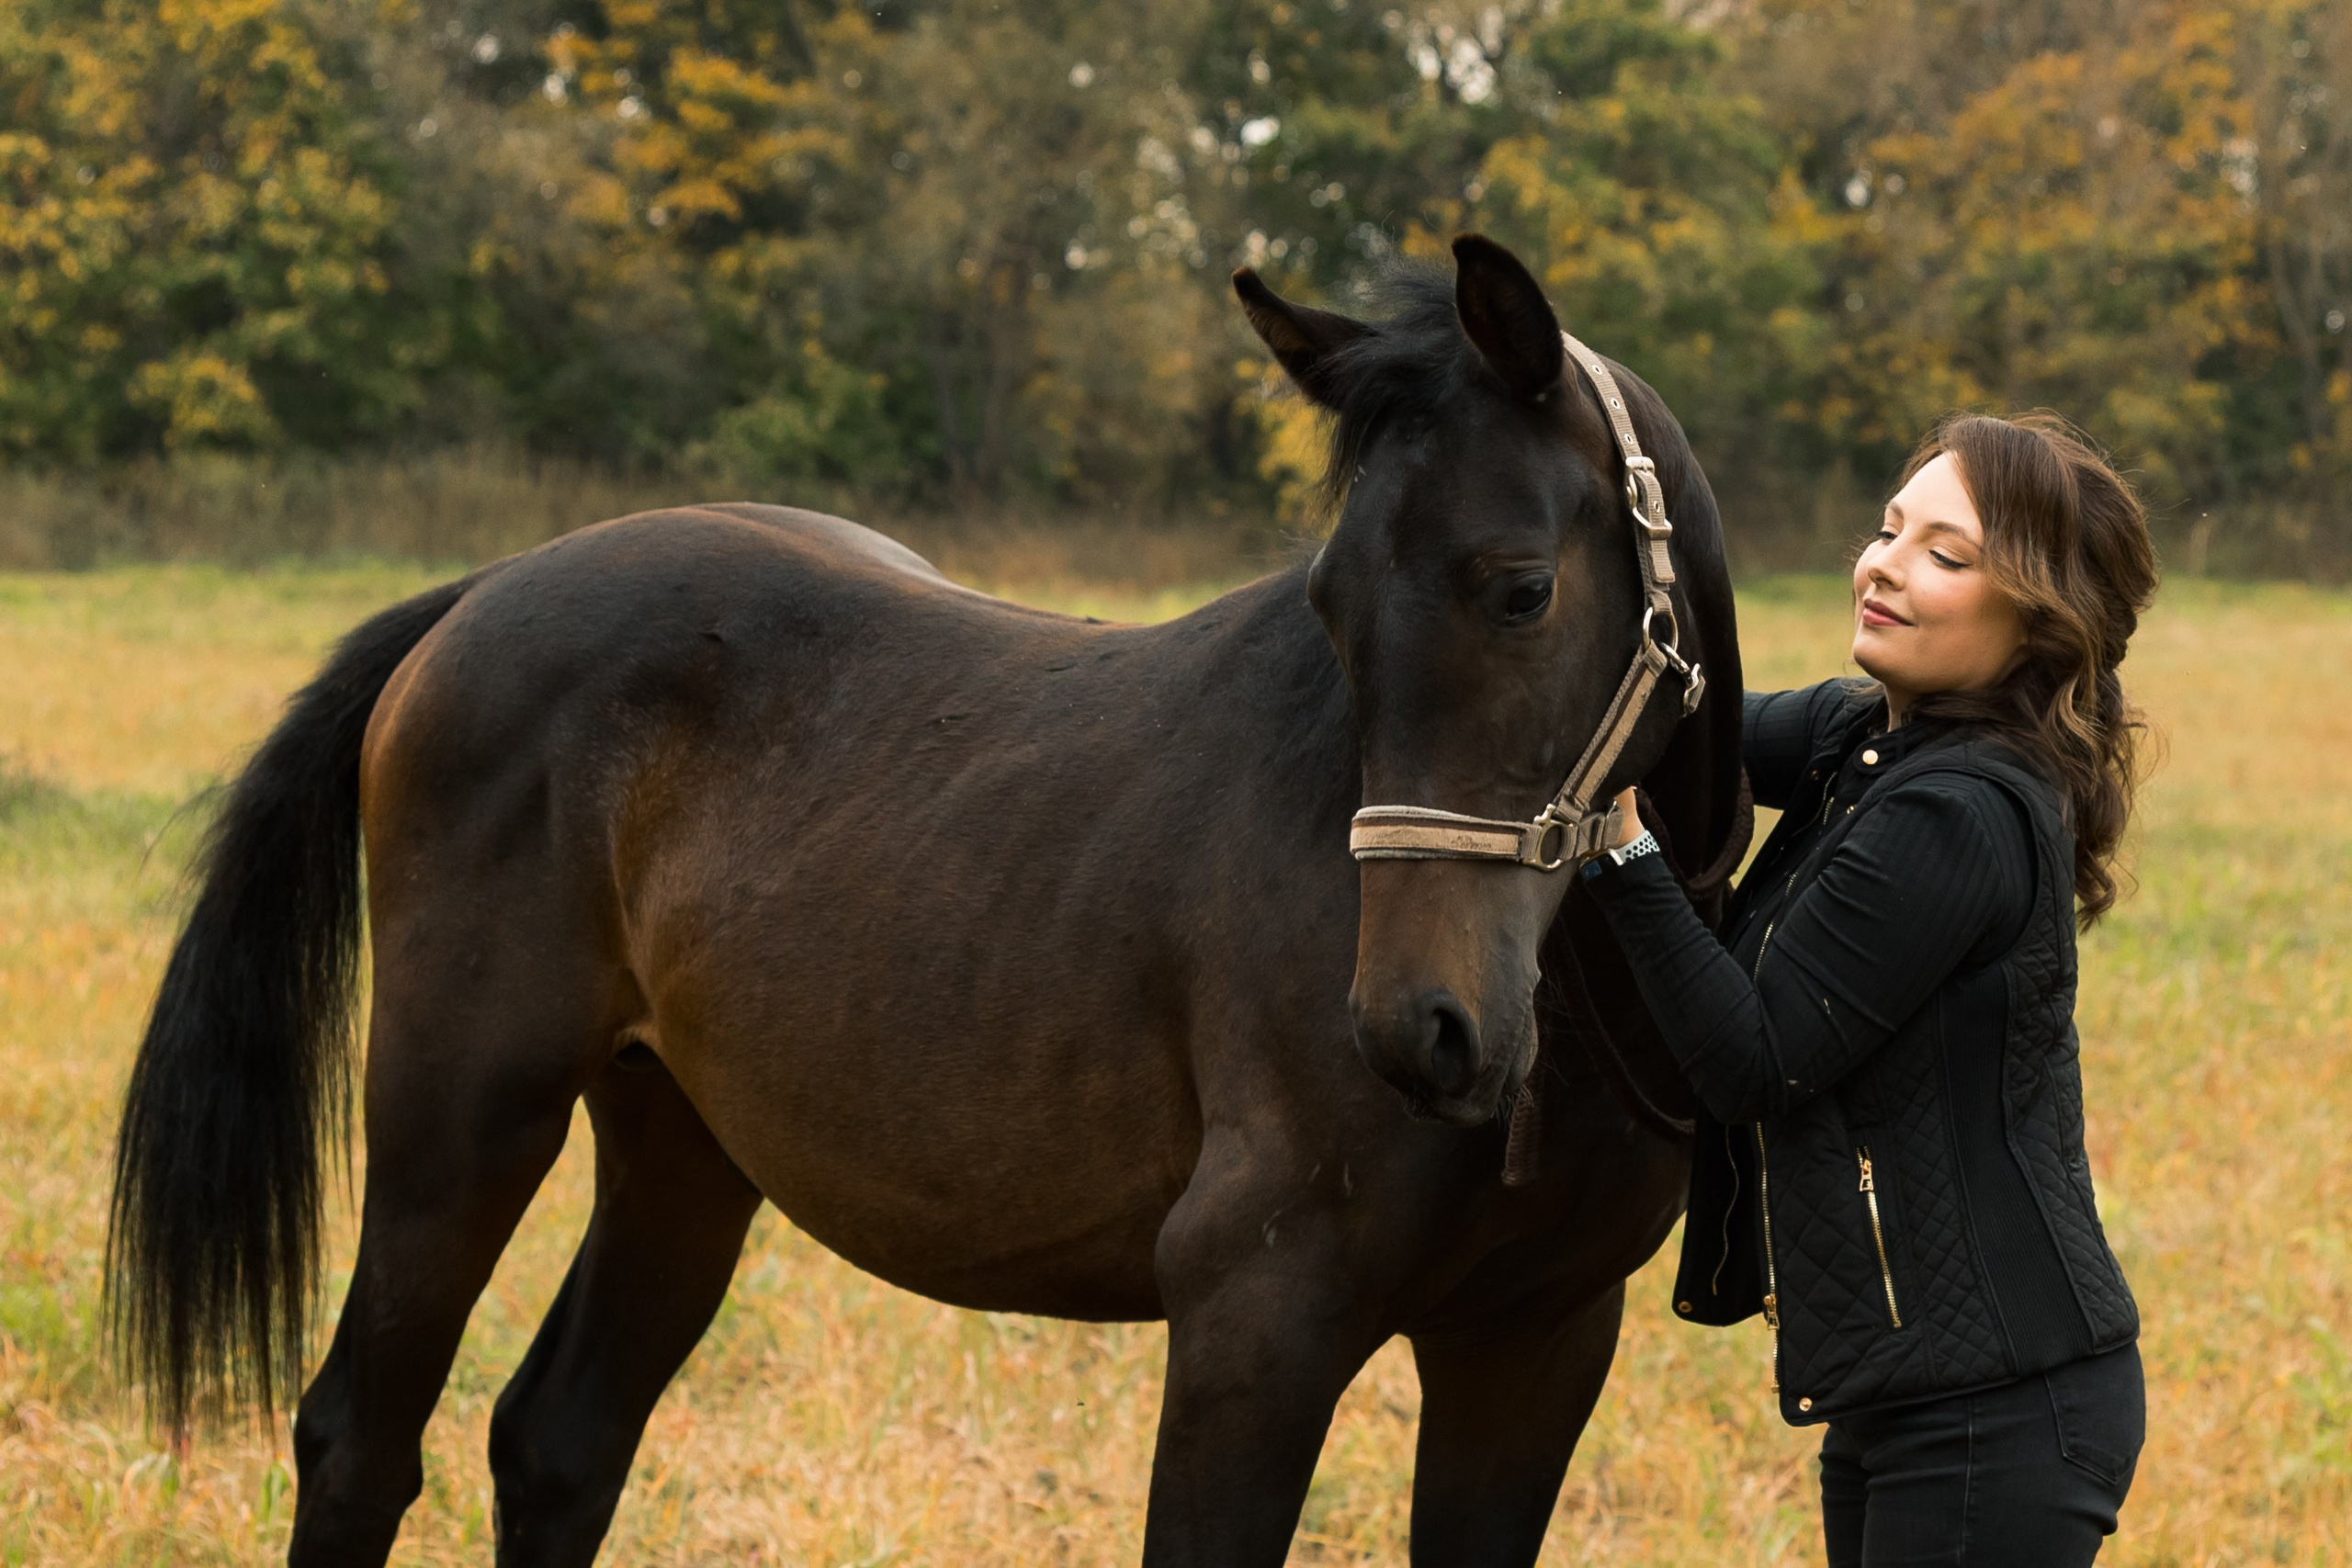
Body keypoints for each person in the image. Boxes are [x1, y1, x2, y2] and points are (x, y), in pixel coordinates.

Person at [1581, 412, 2159, 1565]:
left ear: (2040, 623)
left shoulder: (1956, 817)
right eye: (1890, 530)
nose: (1886, 564)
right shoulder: (1871, 736)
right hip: (1919, 1394)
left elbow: (1752, 1055)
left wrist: (1621, 849)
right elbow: (1693, 736)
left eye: (1946, 555)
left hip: (1997, 1415)